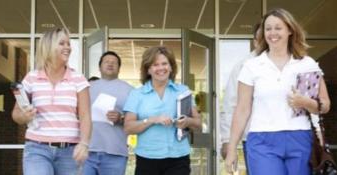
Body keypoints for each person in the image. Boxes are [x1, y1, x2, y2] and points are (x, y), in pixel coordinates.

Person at [225, 8, 330, 175]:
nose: (272, 33)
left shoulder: (307, 64)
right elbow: (242, 110)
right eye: (268, 28)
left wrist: (305, 103)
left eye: (278, 28)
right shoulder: (251, 66)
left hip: (300, 137)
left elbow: (324, 105)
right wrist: (231, 148)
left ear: (290, 30)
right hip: (262, 140)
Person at [11, 28, 92, 175]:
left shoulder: (78, 79)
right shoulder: (32, 77)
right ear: (48, 46)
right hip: (37, 148)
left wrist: (84, 143)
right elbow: (16, 113)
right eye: (62, 43)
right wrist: (24, 116)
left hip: (69, 151)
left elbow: (85, 116)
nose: (68, 47)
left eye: (68, 43)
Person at [123, 46, 201, 175]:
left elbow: (198, 123)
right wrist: (152, 120)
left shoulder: (183, 91)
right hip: (147, 158)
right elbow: (128, 128)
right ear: (148, 69)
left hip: (178, 158)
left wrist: (187, 121)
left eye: (165, 64)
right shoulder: (136, 94)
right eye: (155, 65)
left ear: (171, 67)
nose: (161, 68)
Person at [83, 51, 133, 175]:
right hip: (87, 152)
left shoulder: (130, 90)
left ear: (119, 68)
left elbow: (138, 119)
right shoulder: (86, 87)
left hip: (115, 153)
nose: (110, 64)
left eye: (114, 62)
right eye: (107, 61)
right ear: (99, 67)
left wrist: (121, 118)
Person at [220, 22, 260, 173]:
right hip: (253, 138)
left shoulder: (291, 63)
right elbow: (231, 106)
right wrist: (227, 141)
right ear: (255, 41)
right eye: (262, 37)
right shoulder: (243, 66)